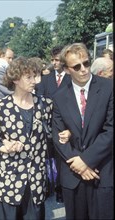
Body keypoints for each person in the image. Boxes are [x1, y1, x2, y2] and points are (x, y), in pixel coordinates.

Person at [0, 57, 53, 219]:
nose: (35, 81)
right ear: (15, 79)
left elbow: (53, 134)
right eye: (29, 77)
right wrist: (3, 146)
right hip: (8, 182)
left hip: (36, 181)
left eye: (36, 76)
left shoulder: (45, 104)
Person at [52, 43, 113, 219]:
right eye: (77, 66)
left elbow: (110, 129)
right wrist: (79, 166)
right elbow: (58, 136)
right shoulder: (59, 97)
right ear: (66, 69)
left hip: (103, 173)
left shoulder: (108, 88)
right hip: (73, 177)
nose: (84, 70)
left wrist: (86, 160)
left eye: (86, 63)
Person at [36, 45, 71, 203]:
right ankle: (52, 187)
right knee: (50, 159)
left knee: (64, 159)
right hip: (48, 126)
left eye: (57, 60)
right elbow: (40, 98)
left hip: (67, 125)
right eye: (52, 60)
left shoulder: (71, 78)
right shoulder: (46, 79)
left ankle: (63, 188)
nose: (54, 63)